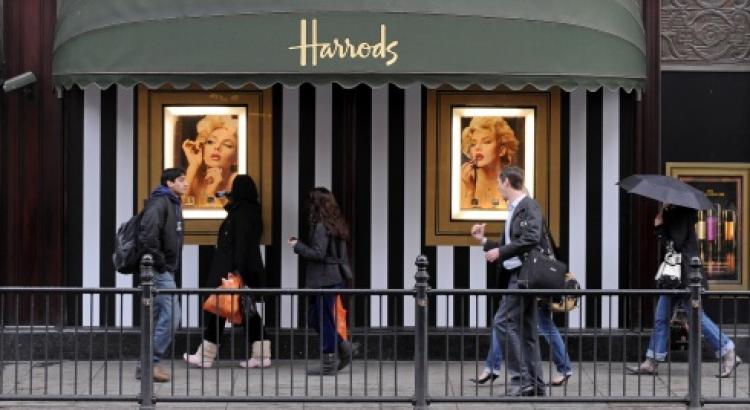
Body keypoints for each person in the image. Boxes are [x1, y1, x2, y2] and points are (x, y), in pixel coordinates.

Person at [627, 203, 741, 378]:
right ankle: (652, 361)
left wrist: (659, 228)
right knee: (661, 318)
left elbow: (677, 245)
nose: (661, 201)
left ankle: (728, 350)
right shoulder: (672, 213)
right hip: (673, 278)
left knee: (697, 318)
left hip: (686, 276)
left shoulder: (680, 213)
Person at [470, 166, 546, 396]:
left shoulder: (528, 205)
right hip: (520, 276)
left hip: (523, 277)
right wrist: (483, 240)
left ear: (506, 182)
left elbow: (531, 238)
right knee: (527, 329)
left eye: (498, 184)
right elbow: (510, 246)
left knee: (504, 322)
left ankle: (522, 381)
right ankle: (535, 384)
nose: (497, 188)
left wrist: (500, 252)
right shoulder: (516, 208)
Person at [183, 175, 270, 369]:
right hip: (241, 269)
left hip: (234, 270)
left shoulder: (241, 214)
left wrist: (234, 271)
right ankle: (259, 355)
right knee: (235, 311)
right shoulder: (248, 210)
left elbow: (240, 244)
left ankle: (206, 356)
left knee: (234, 310)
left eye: (233, 188)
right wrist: (225, 198)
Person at [289, 187, 356, 375]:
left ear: (317, 204)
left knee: (322, 319)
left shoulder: (320, 226)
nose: (308, 205)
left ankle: (329, 362)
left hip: (324, 279)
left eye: (311, 201)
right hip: (330, 278)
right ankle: (343, 346)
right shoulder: (334, 224)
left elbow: (318, 253)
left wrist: (298, 246)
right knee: (316, 317)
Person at [136, 167, 187, 382]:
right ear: (169, 183)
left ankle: (147, 366)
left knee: (157, 319)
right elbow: (148, 236)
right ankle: (150, 364)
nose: (186, 183)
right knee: (172, 317)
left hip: (163, 269)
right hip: (159, 271)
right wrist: (162, 263)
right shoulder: (160, 203)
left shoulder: (172, 203)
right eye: (181, 180)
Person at [471, 301, 573, 386]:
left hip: (528, 286)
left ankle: (492, 368)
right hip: (539, 288)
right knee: (546, 327)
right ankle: (565, 368)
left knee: (501, 322)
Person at [460, 117, 519, 209]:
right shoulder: (461, 179)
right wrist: (469, 191)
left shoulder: (516, 182)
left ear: (501, 150)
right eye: (473, 144)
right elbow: (459, 221)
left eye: (486, 142)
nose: (477, 148)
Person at [181, 115, 239, 208]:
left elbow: (218, 219)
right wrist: (193, 166)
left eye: (227, 145)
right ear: (202, 147)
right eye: (211, 142)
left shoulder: (236, 182)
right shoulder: (195, 178)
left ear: (236, 158)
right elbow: (176, 208)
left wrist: (211, 192)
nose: (217, 147)